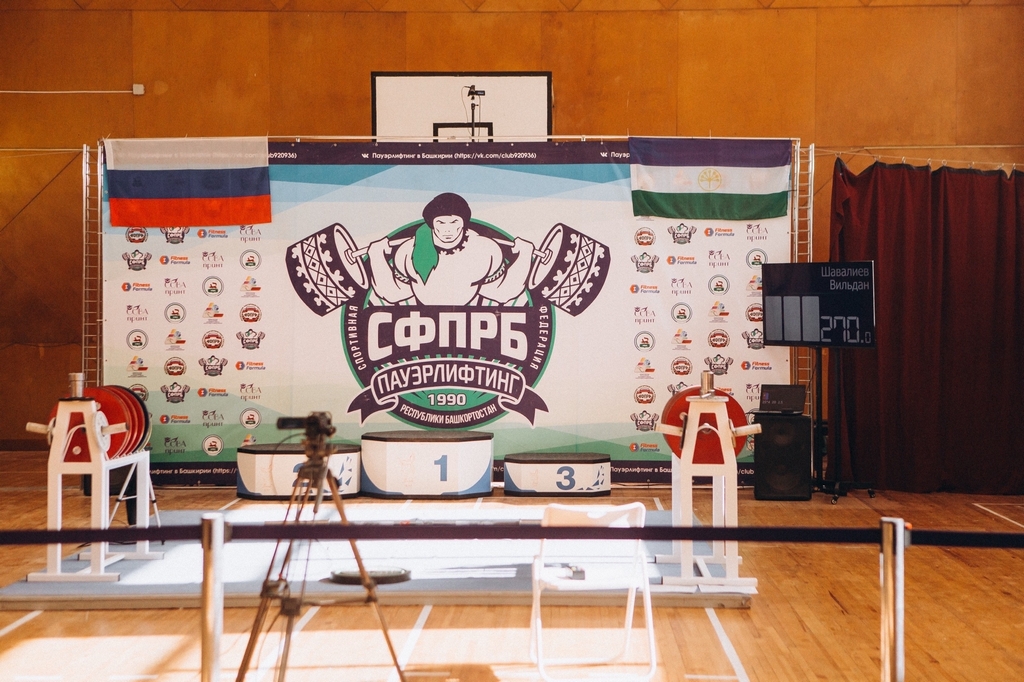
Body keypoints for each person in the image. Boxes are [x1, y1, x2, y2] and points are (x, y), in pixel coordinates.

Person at [366, 192, 534, 306]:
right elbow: (393, 293)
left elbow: (502, 292)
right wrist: (376, 255)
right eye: (441, 222)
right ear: (431, 224)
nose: (448, 229)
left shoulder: (485, 249)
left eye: (454, 222)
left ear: (464, 223)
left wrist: (525, 254)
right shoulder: (409, 251)